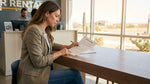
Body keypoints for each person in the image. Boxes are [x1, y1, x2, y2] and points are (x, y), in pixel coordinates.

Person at [17, 1, 83, 84]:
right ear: (47, 13)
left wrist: (67, 46)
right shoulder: (33, 30)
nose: (57, 20)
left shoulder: (43, 30)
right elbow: (38, 61)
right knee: (75, 74)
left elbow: (50, 45)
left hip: (41, 72)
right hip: (33, 77)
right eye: (56, 16)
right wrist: (60, 53)